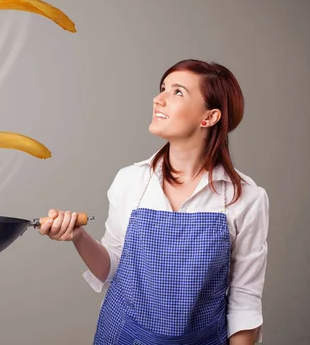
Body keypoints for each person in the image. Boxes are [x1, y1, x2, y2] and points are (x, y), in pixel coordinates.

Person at [39, 59, 269, 345]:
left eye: (177, 92)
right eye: (162, 88)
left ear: (208, 118)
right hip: (124, 336)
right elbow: (111, 269)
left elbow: (244, 301)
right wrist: (78, 237)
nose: (158, 99)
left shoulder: (246, 198)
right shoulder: (130, 181)